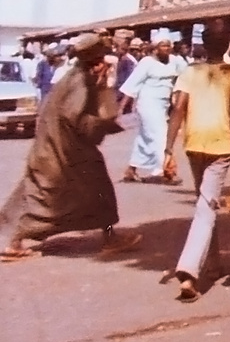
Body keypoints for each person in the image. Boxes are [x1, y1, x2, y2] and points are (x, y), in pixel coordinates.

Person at [1, 33, 142, 261]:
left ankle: (15, 241)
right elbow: (76, 118)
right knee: (98, 191)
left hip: (54, 150)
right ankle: (110, 239)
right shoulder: (80, 81)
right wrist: (104, 121)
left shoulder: (74, 77)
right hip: (65, 154)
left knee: (37, 194)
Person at [163, 24, 230, 302]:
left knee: (205, 202)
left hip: (193, 142)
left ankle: (213, 263)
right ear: (226, 44)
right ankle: (189, 272)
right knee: (206, 206)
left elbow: (178, 109)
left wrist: (167, 150)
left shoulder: (189, 72)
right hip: (220, 145)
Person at [119, 30, 184, 184]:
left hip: (163, 105)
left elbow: (188, 74)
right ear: (156, 47)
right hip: (148, 103)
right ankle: (166, 171)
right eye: (163, 46)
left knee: (145, 137)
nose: (167, 49)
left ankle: (131, 169)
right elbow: (132, 84)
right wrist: (122, 108)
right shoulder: (147, 63)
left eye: (169, 46)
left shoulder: (175, 61)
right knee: (160, 135)